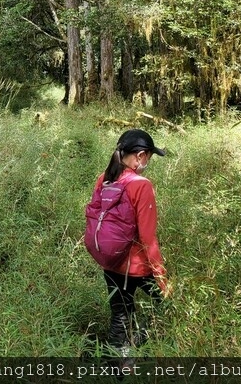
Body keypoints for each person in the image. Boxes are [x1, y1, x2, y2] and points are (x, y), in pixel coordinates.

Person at [92, 129, 171, 355]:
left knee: (120, 315)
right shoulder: (141, 184)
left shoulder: (104, 178)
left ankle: (117, 365)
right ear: (140, 156)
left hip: (110, 262)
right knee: (167, 305)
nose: (149, 162)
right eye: (150, 157)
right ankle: (141, 345)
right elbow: (148, 238)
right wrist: (162, 277)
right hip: (137, 267)